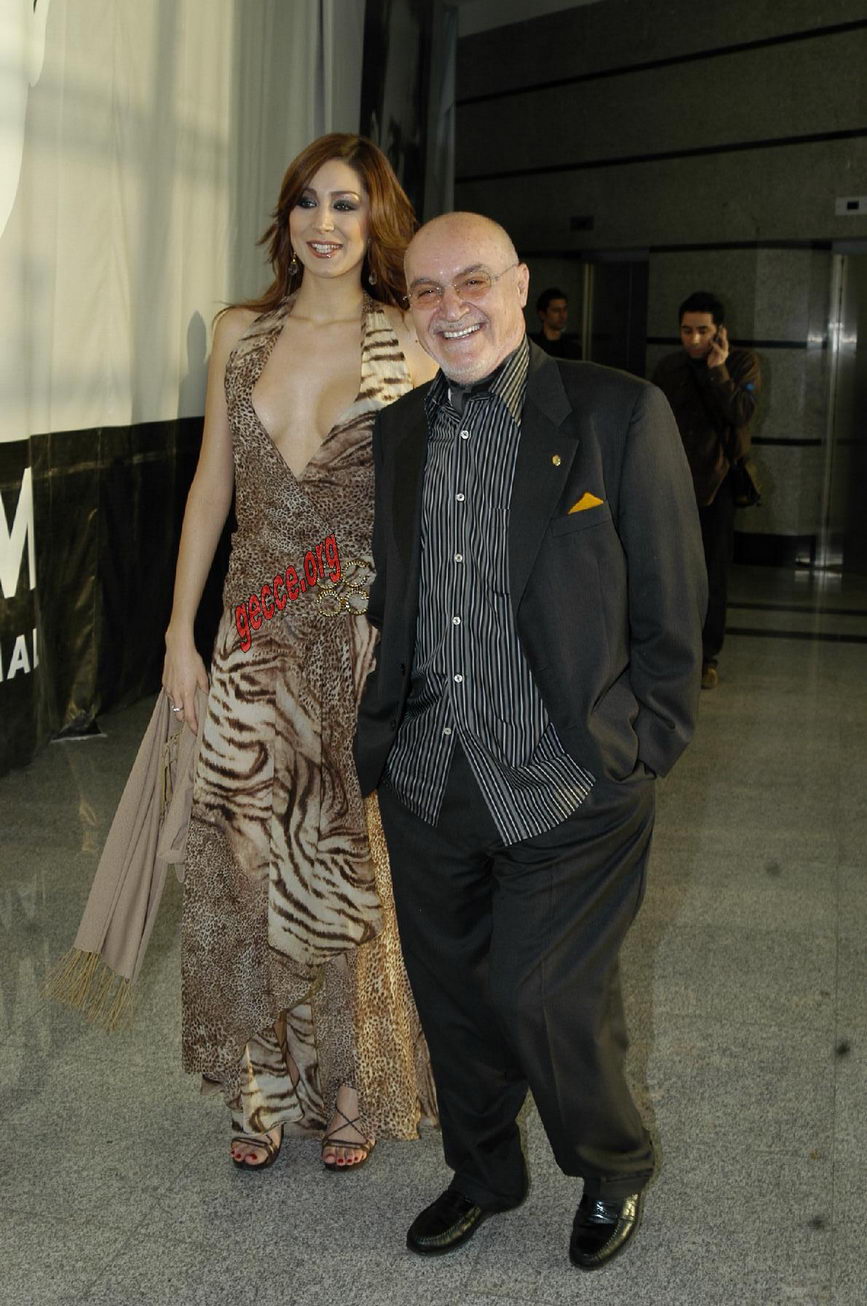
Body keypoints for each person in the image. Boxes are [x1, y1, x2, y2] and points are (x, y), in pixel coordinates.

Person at [354, 212, 706, 1269]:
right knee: (455, 1001)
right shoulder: (397, 430)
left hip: (568, 777)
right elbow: (399, 589)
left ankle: (611, 1165)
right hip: (430, 776)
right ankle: (482, 1174)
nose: (450, 307)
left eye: (471, 281)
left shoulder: (617, 414)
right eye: (425, 290)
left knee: (541, 994)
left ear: (518, 286)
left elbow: (672, 599)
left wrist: (642, 744)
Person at [163, 133, 437, 1171]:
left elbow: (436, 503)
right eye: (309, 202)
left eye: (347, 205)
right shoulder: (240, 332)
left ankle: (353, 1084)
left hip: (358, 643)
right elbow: (211, 489)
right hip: (250, 638)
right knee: (244, 866)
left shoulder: (406, 339)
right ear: (285, 218)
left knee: (347, 866)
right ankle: (261, 1087)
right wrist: (179, 636)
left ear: (376, 224)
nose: (325, 223)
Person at [651, 291, 761, 689]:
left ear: (720, 332)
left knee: (713, 573)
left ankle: (707, 657)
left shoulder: (742, 364)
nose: (694, 339)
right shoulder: (669, 368)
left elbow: (741, 413)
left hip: (718, 484)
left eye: (703, 331)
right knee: (668, 572)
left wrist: (718, 371)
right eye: (686, 331)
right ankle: (671, 652)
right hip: (673, 484)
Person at [529, 285, 581, 358]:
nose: (562, 315)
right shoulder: (533, 349)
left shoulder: (573, 349)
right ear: (542, 314)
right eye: (556, 310)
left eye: (564, 310)